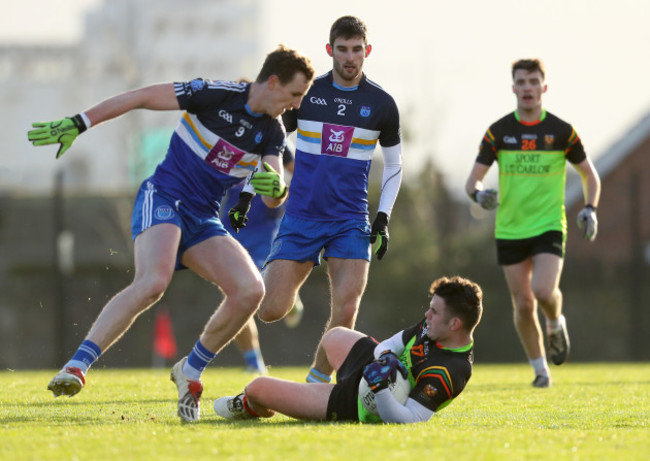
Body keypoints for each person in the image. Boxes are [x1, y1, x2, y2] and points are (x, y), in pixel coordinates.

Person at [27, 45, 315, 422]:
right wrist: (81, 121)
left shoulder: (272, 131)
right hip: (164, 196)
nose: (296, 105)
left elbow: (275, 187)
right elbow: (140, 96)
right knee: (153, 282)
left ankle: (190, 370)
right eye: (295, 95)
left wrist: (276, 189)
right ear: (273, 82)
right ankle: (76, 366)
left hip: (203, 218)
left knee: (250, 290)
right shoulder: (213, 94)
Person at [252, 16, 403, 385]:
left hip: (351, 220)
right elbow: (271, 133)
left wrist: (382, 217)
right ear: (329, 50)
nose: (349, 57)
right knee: (270, 309)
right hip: (301, 215)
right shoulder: (307, 96)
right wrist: (277, 170)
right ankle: (277, 288)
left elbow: (396, 164)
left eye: (356, 50)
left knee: (347, 308)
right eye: (342, 49)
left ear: (367, 51)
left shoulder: (382, 104)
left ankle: (317, 382)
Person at [465, 58, 601, 388]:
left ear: (544, 86)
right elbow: (472, 182)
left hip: (549, 225)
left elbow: (589, 175)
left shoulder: (561, 131)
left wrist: (590, 208)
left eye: (533, 82)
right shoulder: (499, 132)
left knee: (542, 291)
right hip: (510, 229)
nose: (527, 88)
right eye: (521, 82)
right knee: (524, 304)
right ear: (513, 88)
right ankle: (541, 370)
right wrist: (480, 196)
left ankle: (555, 322)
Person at [214, 275, 483, 424]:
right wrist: (386, 358)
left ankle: (256, 405)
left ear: (455, 324)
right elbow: (391, 344)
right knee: (334, 336)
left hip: (364, 402)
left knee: (258, 387)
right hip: (374, 371)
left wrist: (379, 388)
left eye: (434, 311)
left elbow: (408, 419)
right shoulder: (433, 326)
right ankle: (311, 391)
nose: (427, 314)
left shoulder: (451, 371)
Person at [220, 144, 304, 374]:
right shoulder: (224, 134)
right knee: (235, 293)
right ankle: (253, 362)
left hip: (267, 225)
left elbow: (302, 176)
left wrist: (284, 195)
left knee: (259, 288)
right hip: (233, 224)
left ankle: (288, 299)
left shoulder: (276, 140)